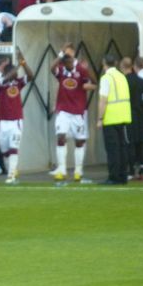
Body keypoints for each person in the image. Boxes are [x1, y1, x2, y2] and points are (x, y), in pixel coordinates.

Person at [51, 43, 96, 183]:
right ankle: (62, 169)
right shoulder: (61, 70)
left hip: (78, 112)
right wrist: (60, 54)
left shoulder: (81, 70)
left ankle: (78, 171)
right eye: (65, 62)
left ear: (73, 60)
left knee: (79, 141)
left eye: (69, 60)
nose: (68, 64)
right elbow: (51, 68)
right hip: (63, 111)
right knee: (61, 137)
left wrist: (89, 84)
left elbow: (95, 82)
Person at [0, 55, 34, 184]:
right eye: (13, 72)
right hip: (2, 121)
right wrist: (18, 66)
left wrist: (24, 63)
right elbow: (7, 77)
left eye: (16, 72)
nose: (16, 73)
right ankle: (11, 169)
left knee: (13, 148)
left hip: (16, 120)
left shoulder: (18, 83)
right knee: (5, 150)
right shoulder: (0, 82)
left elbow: (31, 76)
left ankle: (11, 175)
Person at [97, 55, 131, 185]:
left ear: (103, 63)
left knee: (113, 149)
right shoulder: (122, 76)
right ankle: (123, 176)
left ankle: (114, 176)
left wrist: (100, 118)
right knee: (122, 148)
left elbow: (103, 100)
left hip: (111, 117)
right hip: (124, 116)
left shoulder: (107, 78)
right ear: (115, 63)